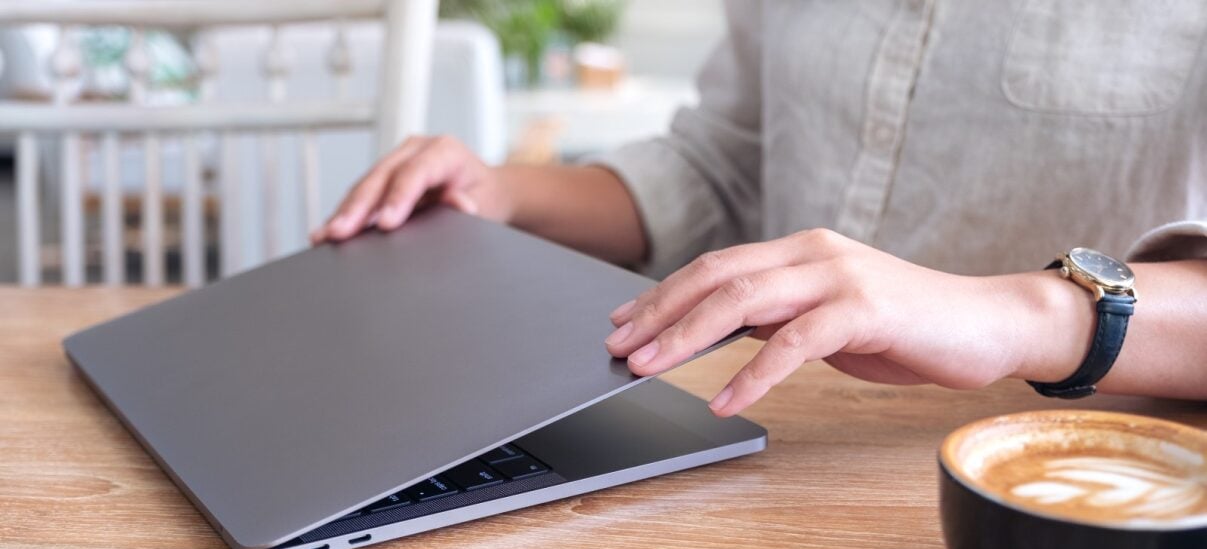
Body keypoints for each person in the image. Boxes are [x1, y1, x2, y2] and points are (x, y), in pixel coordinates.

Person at [313, 1, 1207, 413]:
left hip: (1072, 476)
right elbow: (719, 169)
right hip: (760, 426)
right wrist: (507, 190)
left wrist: (1014, 315)